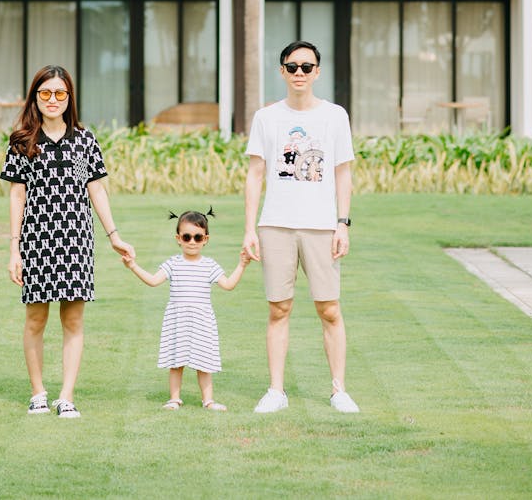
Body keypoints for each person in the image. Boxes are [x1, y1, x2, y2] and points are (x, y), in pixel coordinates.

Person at [1, 64, 134, 418]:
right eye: (45, 93)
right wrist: (14, 248)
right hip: (36, 241)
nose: (52, 100)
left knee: (73, 321)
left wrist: (114, 236)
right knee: (35, 320)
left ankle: (67, 396)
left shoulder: (84, 140)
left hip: (76, 240)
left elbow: (96, 190)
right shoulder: (22, 141)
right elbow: (17, 195)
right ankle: (38, 393)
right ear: (36, 97)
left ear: (69, 97)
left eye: (60, 93)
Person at [243, 40, 360, 415]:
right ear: (282, 71)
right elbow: (255, 174)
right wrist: (249, 229)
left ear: (317, 72)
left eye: (306, 67)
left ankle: (339, 389)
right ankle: (276, 391)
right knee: (279, 308)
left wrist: (342, 223)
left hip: (321, 226)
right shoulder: (266, 117)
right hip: (275, 224)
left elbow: (343, 172)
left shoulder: (334, 116)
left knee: (329, 308)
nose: (299, 73)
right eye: (292, 67)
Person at [122, 209, 251, 411]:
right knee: (176, 361)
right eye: (187, 237)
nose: (192, 241)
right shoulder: (173, 263)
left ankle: (208, 400)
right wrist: (133, 266)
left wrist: (242, 265)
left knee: (204, 362)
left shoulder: (209, 265)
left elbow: (228, 284)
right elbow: (154, 281)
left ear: (205, 239)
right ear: (178, 239)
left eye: (198, 237)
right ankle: (174, 399)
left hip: (202, 320)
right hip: (178, 319)